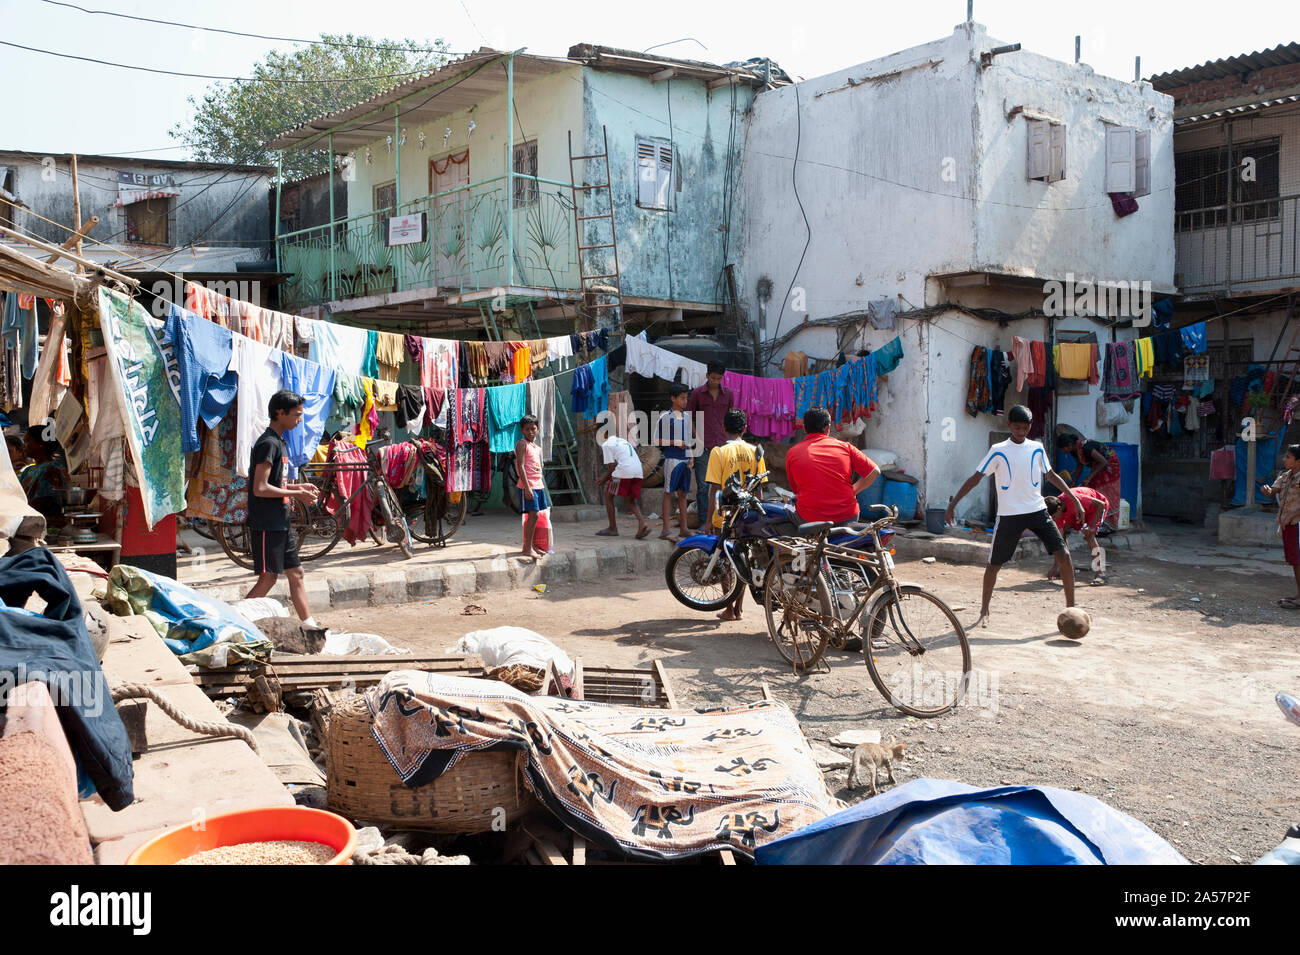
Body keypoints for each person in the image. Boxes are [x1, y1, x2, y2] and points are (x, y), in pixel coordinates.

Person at [944, 405, 1084, 629]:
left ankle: (1071, 608)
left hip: (1037, 511)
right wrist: (953, 504)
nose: (1021, 431)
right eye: (1017, 427)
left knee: (1063, 554)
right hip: (1009, 516)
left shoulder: (1037, 448)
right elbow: (976, 478)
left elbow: (1051, 474)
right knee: (994, 564)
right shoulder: (998, 450)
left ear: (1030, 426)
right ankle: (984, 611)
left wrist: (1074, 499)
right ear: (1009, 425)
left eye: (1025, 427)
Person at [244, 390, 321, 628]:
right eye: (297, 414)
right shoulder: (268, 443)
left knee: (296, 573)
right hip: (267, 521)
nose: (300, 419)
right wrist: (297, 493)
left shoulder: (280, 442)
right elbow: (260, 487)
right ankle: (237, 622)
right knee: (268, 578)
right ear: (280, 413)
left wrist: (298, 486)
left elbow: (275, 483)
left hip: (280, 520)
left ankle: (311, 628)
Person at [706, 408, 766, 622]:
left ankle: (729, 608)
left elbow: (714, 489)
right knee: (743, 561)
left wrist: (708, 520)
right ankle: (739, 610)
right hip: (748, 517)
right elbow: (759, 490)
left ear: (723, 428)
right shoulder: (754, 450)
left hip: (724, 515)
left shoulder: (718, 452)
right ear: (745, 428)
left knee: (725, 562)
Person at [784, 406, 879, 524]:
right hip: (848, 516)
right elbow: (874, 471)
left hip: (810, 519)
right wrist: (853, 491)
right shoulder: (846, 447)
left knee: (788, 505)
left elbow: (796, 490)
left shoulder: (793, 453)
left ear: (804, 428)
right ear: (828, 428)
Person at [687, 361, 734, 529]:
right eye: (713, 378)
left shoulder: (728, 394)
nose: (715, 381)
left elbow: (731, 418)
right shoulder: (698, 394)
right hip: (703, 446)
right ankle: (703, 523)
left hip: (723, 446)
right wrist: (696, 437)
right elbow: (688, 416)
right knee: (702, 487)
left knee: (724, 485)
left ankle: (721, 522)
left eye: (719, 379)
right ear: (707, 376)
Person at [1044, 486, 1112, 585]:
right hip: (1079, 511)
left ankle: (1100, 573)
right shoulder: (1057, 509)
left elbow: (1101, 504)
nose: (1054, 519)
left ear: (1059, 509)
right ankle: (1067, 568)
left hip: (1097, 508)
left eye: (1054, 517)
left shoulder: (1073, 499)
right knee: (1061, 534)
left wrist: (1092, 527)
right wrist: (1056, 566)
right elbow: (1060, 541)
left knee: (1089, 536)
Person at [1260, 444, 1300, 609]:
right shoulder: (1285, 476)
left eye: (1288, 457)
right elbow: (1272, 492)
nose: (1284, 459)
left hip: (1297, 524)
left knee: (1298, 560)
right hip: (1287, 525)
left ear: (1298, 460)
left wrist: (1291, 515)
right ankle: (1299, 595)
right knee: (1295, 560)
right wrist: (1265, 490)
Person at [1056, 433, 1122, 528]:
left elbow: (1103, 461)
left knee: (1103, 492)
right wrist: (1073, 482)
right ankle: (1096, 522)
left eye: (1063, 448)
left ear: (1069, 445)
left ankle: (1107, 525)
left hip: (1109, 466)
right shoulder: (1073, 451)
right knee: (1093, 489)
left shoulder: (1086, 447)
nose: (1063, 451)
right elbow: (1079, 466)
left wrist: (1089, 478)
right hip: (1099, 466)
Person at [655, 383, 693, 540]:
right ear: (673, 398)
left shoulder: (687, 417)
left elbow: (689, 439)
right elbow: (657, 440)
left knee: (683, 493)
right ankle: (665, 530)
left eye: (686, 398)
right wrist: (675, 442)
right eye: (682, 398)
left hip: (685, 459)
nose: (685, 401)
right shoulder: (665, 418)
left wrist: (691, 457)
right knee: (669, 493)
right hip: (672, 459)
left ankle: (684, 528)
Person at [597, 429, 648, 539]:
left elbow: (612, 466)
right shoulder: (623, 441)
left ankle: (612, 528)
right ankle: (642, 523)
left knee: (608, 495)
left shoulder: (606, 444)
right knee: (630, 500)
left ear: (603, 434)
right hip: (638, 471)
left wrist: (603, 479)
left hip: (624, 470)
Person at [19, 426, 67, 526]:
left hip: (44, 524)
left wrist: (17, 510)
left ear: (41, 444)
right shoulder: (28, 470)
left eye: (27, 441)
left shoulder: (53, 469)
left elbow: (44, 502)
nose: (24, 446)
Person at [515, 413, 547, 559]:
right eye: (527, 429)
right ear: (522, 430)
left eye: (533, 428)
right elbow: (520, 466)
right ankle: (527, 548)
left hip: (538, 485)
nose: (531, 432)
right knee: (533, 515)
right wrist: (527, 487)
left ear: (538, 429)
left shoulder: (536, 447)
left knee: (535, 516)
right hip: (528, 485)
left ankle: (531, 545)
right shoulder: (522, 444)